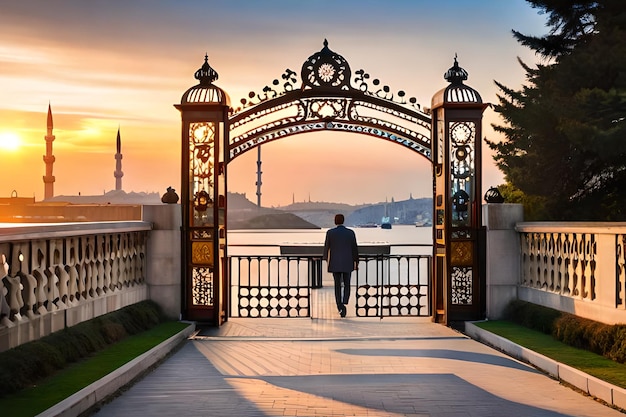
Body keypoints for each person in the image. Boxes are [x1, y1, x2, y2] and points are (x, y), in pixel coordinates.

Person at [322, 214, 358, 318]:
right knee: (347, 283)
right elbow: (354, 248)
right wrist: (356, 261)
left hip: (335, 262)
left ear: (335, 221)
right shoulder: (350, 233)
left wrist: (325, 259)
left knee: (337, 285)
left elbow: (326, 247)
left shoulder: (330, 233)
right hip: (348, 261)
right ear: (343, 220)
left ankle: (340, 306)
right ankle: (345, 300)